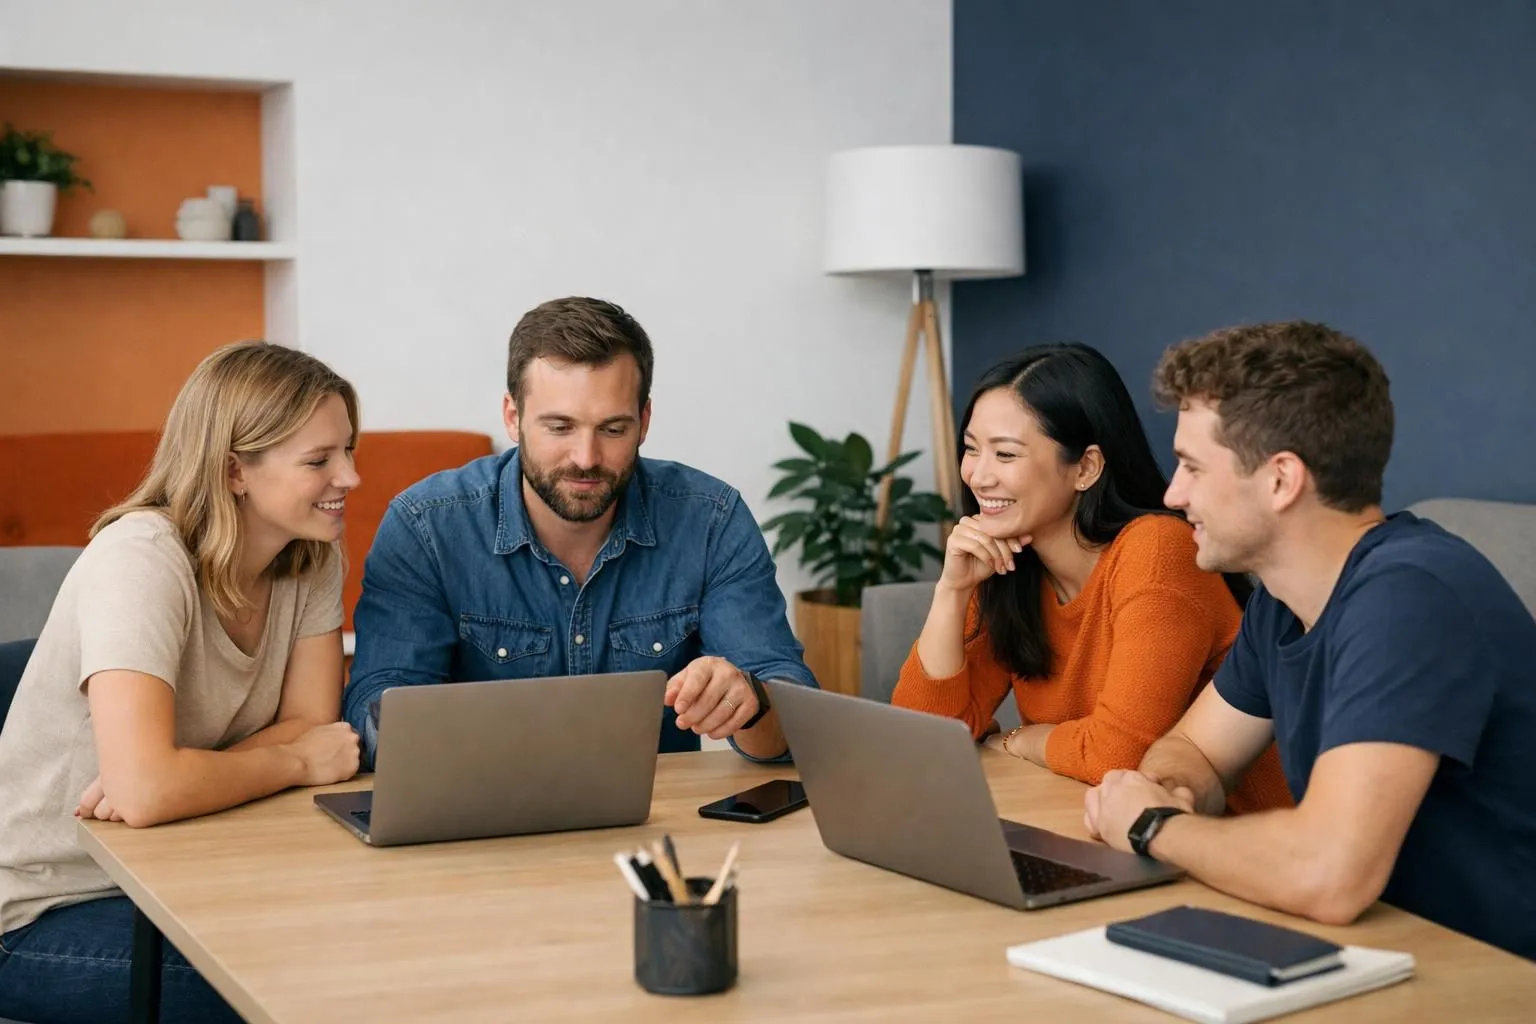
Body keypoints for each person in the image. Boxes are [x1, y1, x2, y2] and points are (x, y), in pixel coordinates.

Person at [1085, 321, 1536, 960]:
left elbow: (1330, 875)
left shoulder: (1410, 597)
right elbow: (1197, 750)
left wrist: (1154, 824)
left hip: (1498, 979)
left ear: (1281, 480)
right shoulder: (1281, 598)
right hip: (1385, 953)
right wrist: (1170, 786)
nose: (1172, 494)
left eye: (1191, 467)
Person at [0, 341, 364, 1022]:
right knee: (314, 980)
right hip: (44, 912)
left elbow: (316, 727)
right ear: (234, 472)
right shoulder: (140, 560)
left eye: (348, 450)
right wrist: (282, 760)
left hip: (189, 874)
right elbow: (153, 791)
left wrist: (177, 778)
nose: (350, 477)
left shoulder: (311, 555)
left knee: (372, 940)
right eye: (319, 460)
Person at [344, 296, 816, 768]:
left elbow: (795, 727)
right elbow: (375, 715)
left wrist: (751, 701)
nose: (586, 457)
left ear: (644, 422)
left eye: (612, 429)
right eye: (560, 427)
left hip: (656, 828)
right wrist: (408, 726)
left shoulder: (711, 519)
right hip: (478, 819)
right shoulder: (425, 525)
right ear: (512, 417)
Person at [892, 343, 1290, 810]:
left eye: (1005, 454)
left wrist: (1024, 740)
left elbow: (1117, 755)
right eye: (971, 449)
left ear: (1085, 467)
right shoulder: (1009, 563)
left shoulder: (1157, 551)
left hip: (1229, 842)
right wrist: (952, 591)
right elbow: (921, 740)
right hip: (1092, 824)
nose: (977, 476)